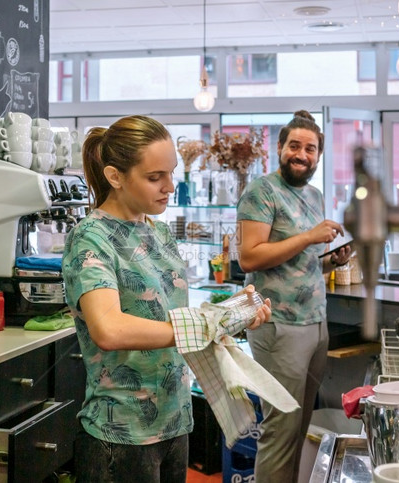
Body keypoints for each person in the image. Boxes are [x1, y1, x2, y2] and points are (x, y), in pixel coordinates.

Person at [61, 115, 271, 482]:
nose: (169, 186)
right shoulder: (91, 237)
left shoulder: (159, 232)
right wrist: (201, 327)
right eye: (154, 177)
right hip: (122, 433)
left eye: (171, 173)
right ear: (115, 177)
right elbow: (109, 330)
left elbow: (167, 316)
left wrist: (230, 314)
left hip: (175, 421)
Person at [236, 110, 352, 482]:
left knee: (300, 428)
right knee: (280, 431)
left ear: (319, 155)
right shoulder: (261, 191)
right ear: (280, 148)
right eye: (294, 146)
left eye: (310, 148)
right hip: (277, 325)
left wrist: (331, 261)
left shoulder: (314, 195)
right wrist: (308, 237)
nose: (301, 154)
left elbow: (301, 264)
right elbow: (249, 256)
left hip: (315, 322)